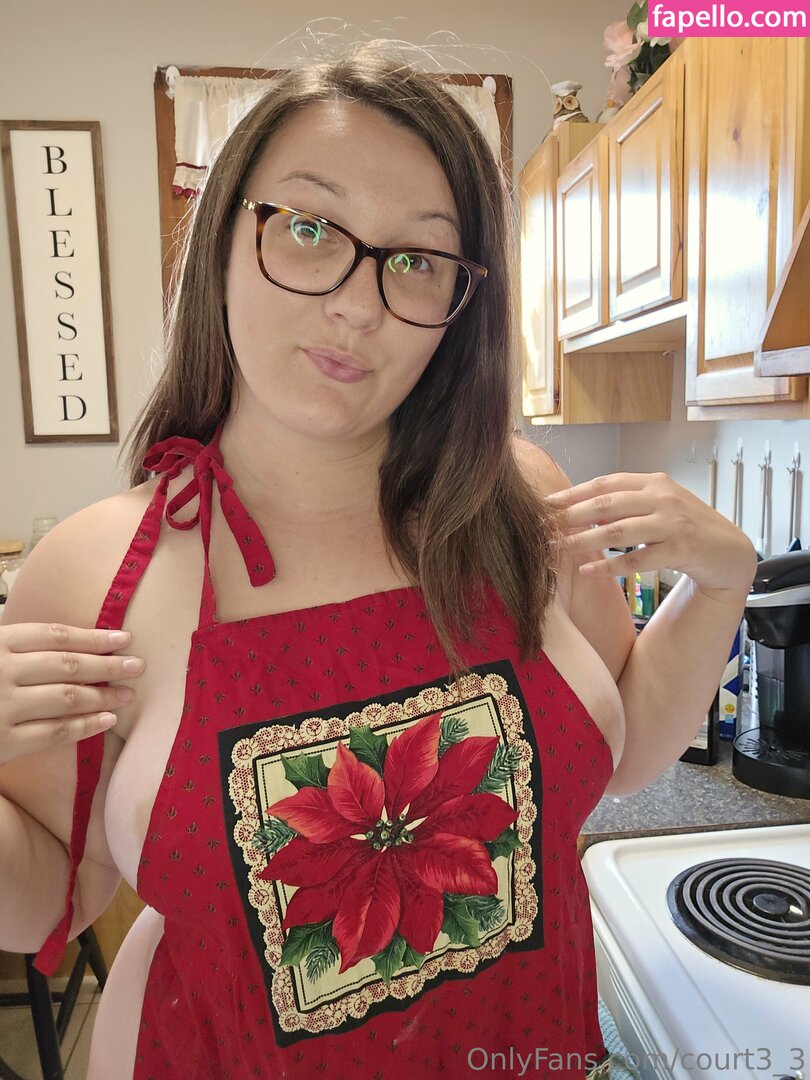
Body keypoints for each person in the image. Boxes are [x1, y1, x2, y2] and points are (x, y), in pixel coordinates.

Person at [0, 40, 755, 1080]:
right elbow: (53, 897)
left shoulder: (517, 498)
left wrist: (720, 586)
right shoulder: (98, 573)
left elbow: (620, 753)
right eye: (310, 229)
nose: (358, 305)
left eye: (417, 260)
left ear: (462, 303)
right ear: (223, 241)